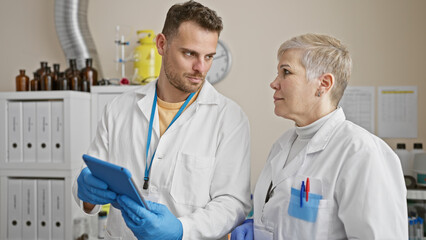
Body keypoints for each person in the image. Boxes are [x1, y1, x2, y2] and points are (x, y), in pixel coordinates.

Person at [72, 1, 251, 239]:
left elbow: (232, 203)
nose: (201, 67)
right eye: (190, 53)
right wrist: (85, 193)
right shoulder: (119, 108)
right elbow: (90, 176)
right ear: (161, 44)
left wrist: (181, 230)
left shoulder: (230, 118)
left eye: (209, 57)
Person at [231, 33, 407, 239]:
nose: (274, 83)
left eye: (286, 72)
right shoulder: (283, 144)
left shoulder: (361, 152)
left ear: (323, 84)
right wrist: (261, 228)